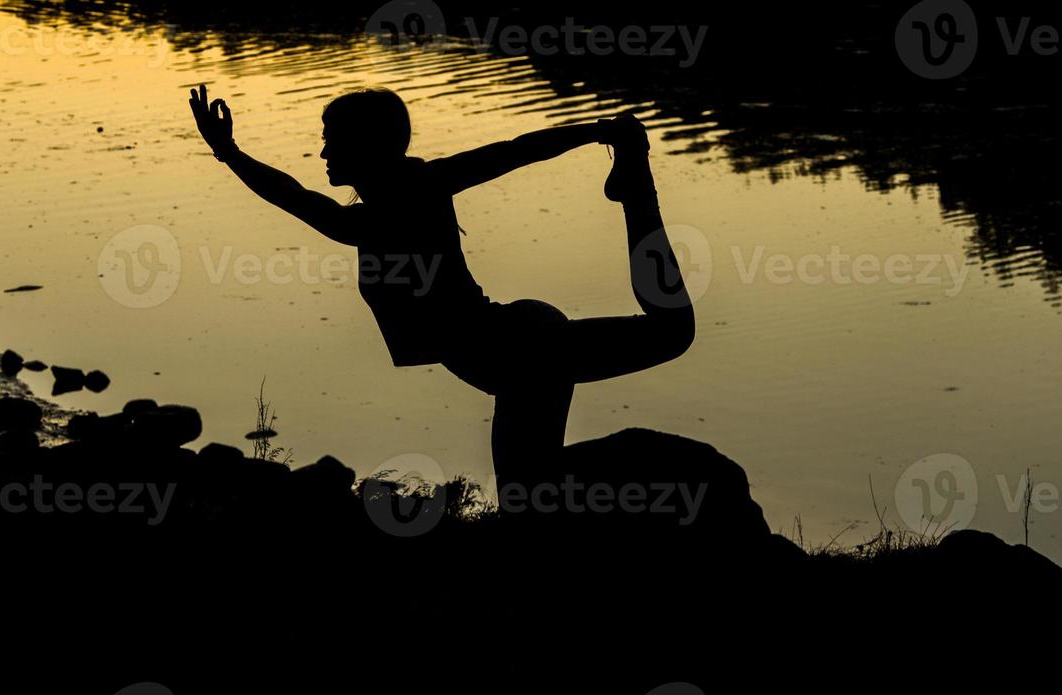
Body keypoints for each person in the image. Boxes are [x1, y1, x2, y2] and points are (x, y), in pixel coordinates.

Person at [190, 84, 694, 490]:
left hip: (524, 353)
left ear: (368, 145)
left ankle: (636, 188)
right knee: (528, 491)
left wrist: (598, 131)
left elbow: (514, 152)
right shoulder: (385, 206)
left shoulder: (406, 197)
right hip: (511, 348)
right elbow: (294, 196)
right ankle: (634, 187)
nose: (322, 150)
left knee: (671, 335)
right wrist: (228, 152)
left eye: (332, 138)